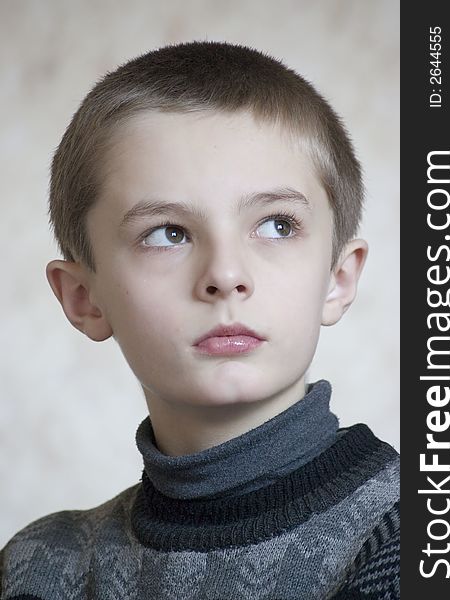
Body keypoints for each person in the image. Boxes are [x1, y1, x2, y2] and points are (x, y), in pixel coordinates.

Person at [0, 40, 399, 599]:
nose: (226, 274)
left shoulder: (414, 541)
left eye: (277, 225)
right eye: (168, 233)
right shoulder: (39, 565)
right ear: (84, 298)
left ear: (338, 278)